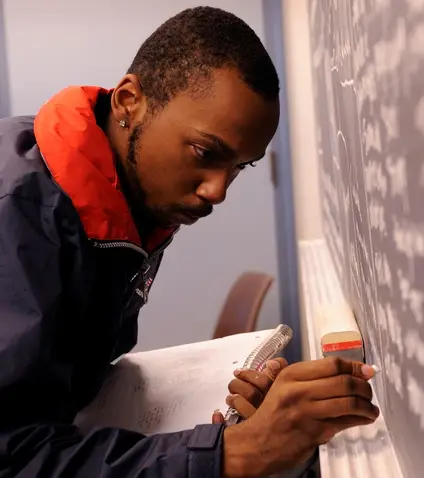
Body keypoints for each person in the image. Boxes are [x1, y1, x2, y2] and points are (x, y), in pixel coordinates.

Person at [0, 7, 378, 478]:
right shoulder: (18, 215)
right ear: (128, 101)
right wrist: (231, 454)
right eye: (204, 152)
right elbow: (12, 456)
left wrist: (227, 434)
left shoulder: (127, 204)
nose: (217, 190)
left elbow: (64, 395)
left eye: (240, 166)